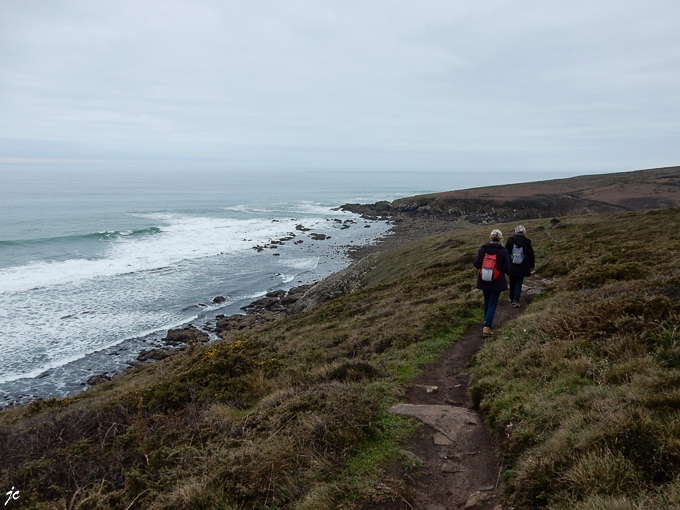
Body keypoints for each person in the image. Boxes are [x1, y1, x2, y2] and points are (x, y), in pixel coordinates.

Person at [473, 229, 511, 337]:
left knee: (486, 300)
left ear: (490, 237)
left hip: (484, 280)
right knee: (493, 302)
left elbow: (476, 264)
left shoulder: (483, 249)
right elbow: (507, 268)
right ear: (501, 238)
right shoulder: (503, 251)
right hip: (497, 281)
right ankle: (487, 326)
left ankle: (487, 322)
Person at [505, 225, 535, 308]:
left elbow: (506, 253)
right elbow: (531, 254)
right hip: (523, 265)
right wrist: (532, 265)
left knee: (512, 281)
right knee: (518, 282)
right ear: (524, 232)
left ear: (516, 231)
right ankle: (516, 300)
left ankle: (511, 297)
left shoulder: (510, 240)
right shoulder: (527, 241)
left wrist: (505, 264)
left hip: (511, 264)